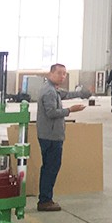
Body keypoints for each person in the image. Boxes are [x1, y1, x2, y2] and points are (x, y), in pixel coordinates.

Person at [35, 63, 86, 213]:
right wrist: (70, 110)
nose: (62, 76)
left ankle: (46, 198)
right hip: (50, 136)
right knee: (50, 168)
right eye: (59, 73)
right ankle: (45, 200)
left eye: (64, 74)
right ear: (51, 74)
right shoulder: (49, 92)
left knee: (49, 167)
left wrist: (80, 94)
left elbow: (65, 94)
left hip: (50, 134)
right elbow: (51, 112)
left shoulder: (52, 89)